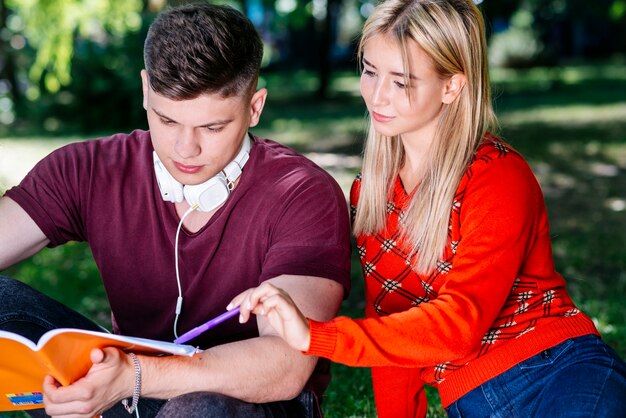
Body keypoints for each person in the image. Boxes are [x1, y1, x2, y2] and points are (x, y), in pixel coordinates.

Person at [229, 0, 626, 417]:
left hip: (560, 372)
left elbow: (459, 325)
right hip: (472, 403)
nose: (376, 96)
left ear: (452, 86)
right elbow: (393, 323)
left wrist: (317, 335)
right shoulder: (372, 195)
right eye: (369, 70)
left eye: (400, 81)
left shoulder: (497, 175)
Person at [0, 3, 351, 418]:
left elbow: (285, 366)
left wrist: (134, 375)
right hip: (124, 394)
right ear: (146, 90)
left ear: (254, 107)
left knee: (198, 409)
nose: (186, 150)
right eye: (167, 121)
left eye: (212, 127)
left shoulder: (303, 193)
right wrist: (121, 382)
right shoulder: (87, 169)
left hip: (249, 402)